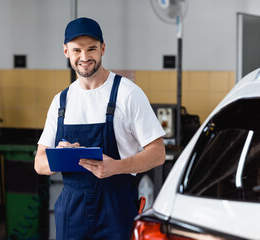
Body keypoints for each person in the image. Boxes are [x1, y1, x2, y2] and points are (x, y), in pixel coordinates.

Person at [34, 17, 166, 240]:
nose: (84, 57)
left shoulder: (128, 94)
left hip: (117, 209)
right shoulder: (60, 102)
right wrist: (60, 155)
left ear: (103, 49)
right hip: (71, 212)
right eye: (77, 50)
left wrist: (117, 167)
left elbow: (158, 153)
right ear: (66, 51)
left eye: (91, 49)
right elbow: (40, 163)